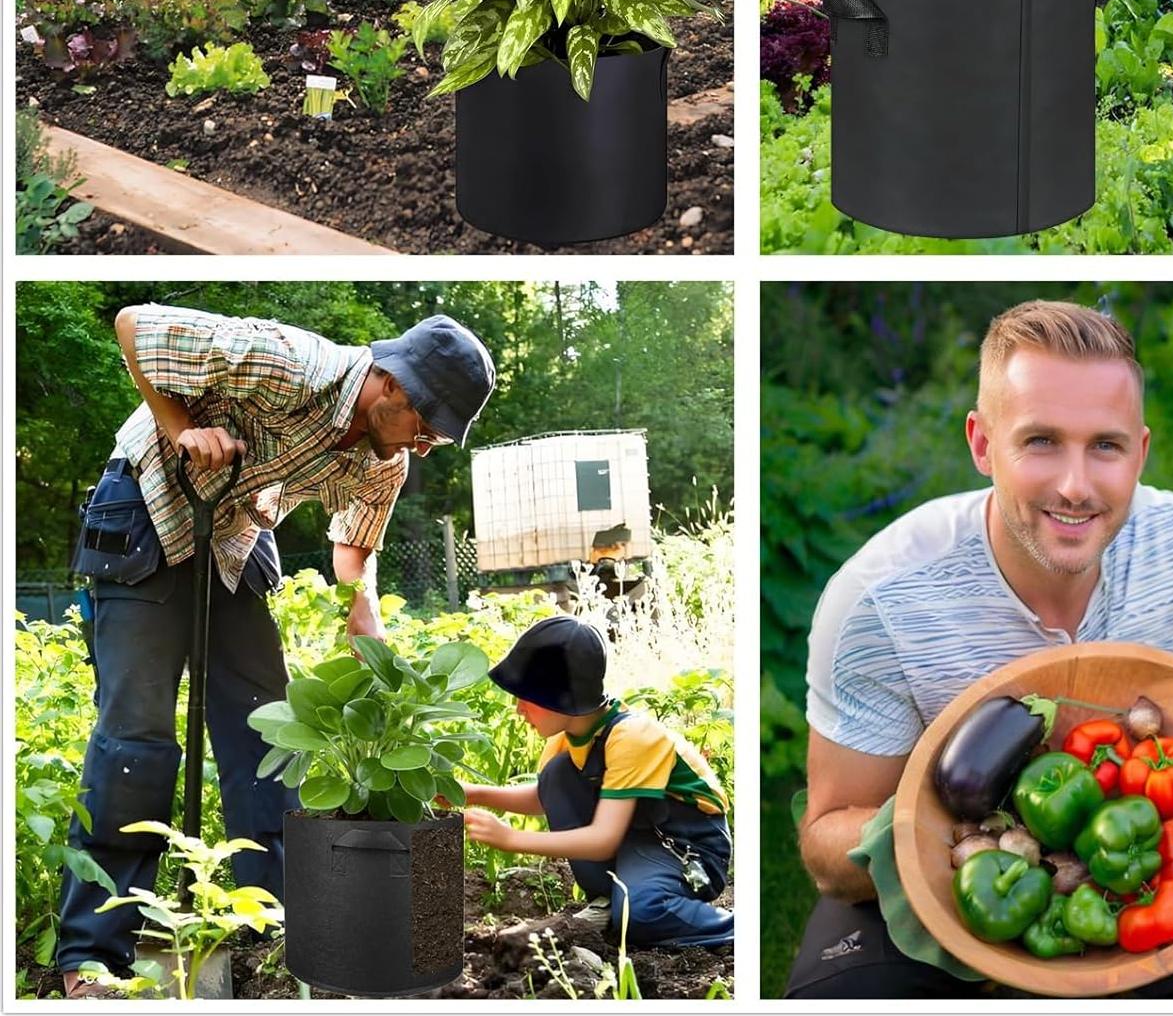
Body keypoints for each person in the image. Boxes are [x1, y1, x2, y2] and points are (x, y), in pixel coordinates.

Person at [784, 300, 1173, 1000]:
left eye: (1105, 446)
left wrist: (1164, 840)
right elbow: (829, 848)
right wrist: (982, 842)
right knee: (835, 997)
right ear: (983, 445)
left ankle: (1150, 976)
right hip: (958, 866)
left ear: (1140, 452)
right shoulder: (881, 601)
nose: (1075, 486)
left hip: (1135, 854)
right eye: (1041, 441)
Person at [57, 307, 495, 997]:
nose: (428, 441)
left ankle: (273, 934)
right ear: (390, 386)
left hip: (232, 526)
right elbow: (134, 325)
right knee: (136, 739)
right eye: (426, 422)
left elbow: (354, 550)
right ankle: (92, 955)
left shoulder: (387, 460)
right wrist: (183, 430)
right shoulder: (290, 360)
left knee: (269, 734)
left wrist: (372, 644)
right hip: (146, 504)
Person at [460, 616, 735, 949]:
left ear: (558, 696)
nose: (519, 710)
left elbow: (604, 839)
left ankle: (734, 927)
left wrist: (512, 838)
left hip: (687, 845)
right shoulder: (570, 736)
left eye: (526, 698)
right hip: (637, 836)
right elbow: (543, 798)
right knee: (557, 775)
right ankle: (609, 899)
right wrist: (471, 794)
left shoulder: (631, 736)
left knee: (641, 913)